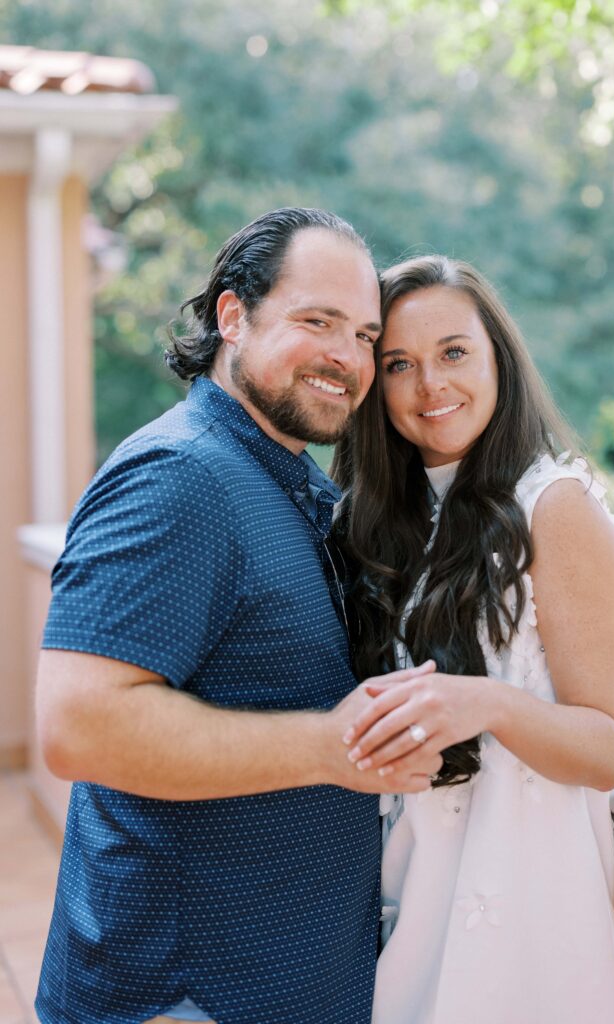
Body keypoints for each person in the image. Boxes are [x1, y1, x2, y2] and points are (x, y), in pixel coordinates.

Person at [34, 209, 442, 1024]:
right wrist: (331, 749)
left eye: (363, 335)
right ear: (232, 316)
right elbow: (77, 724)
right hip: (183, 997)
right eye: (316, 321)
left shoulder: (288, 481)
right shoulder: (179, 478)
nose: (346, 357)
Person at [332, 255, 614, 1023]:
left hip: (524, 909)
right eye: (399, 364)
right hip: (411, 886)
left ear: (498, 356)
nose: (430, 385)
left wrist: (486, 704)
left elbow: (605, 749)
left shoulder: (554, 505)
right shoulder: (387, 520)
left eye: (453, 353)